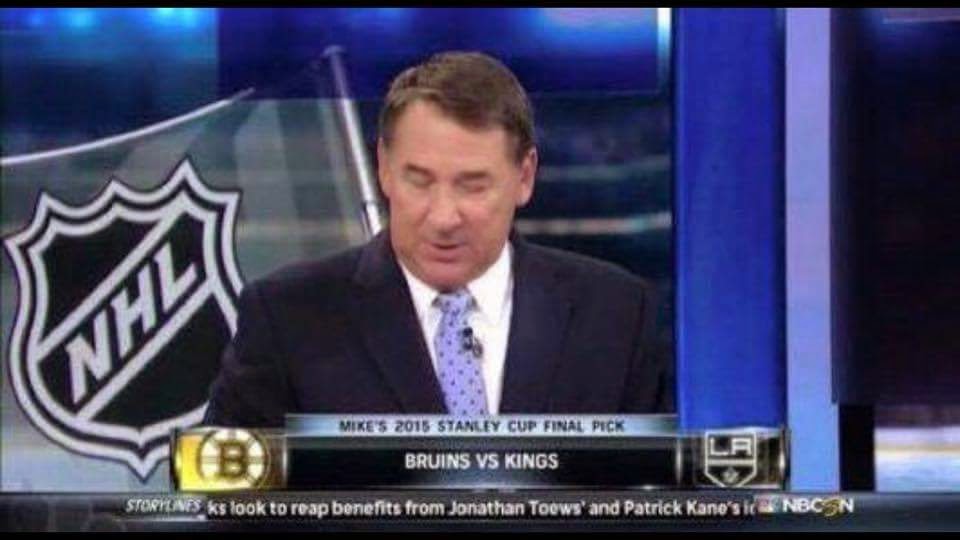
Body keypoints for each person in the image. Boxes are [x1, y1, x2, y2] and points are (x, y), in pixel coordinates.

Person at [204, 51, 672, 426]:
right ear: (384, 168)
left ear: (525, 176)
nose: (444, 217)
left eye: (473, 185)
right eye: (420, 181)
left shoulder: (615, 315)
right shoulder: (289, 318)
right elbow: (221, 494)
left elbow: (659, 496)